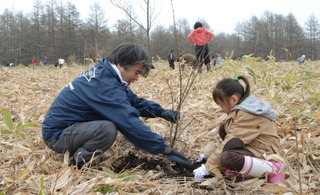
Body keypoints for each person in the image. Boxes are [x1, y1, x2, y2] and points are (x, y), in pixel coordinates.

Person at [42, 43, 192, 169]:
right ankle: (80, 161)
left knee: (106, 126)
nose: (136, 78)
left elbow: (132, 101)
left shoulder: (106, 75)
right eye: (137, 72)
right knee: (107, 129)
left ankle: (83, 151)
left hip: (71, 129)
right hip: (57, 136)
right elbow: (128, 121)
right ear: (122, 64)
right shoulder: (104, 85)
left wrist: (160, 111)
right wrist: (163, 149)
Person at [193, 76, 284, 183]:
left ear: (234, 99)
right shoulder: (240, 110)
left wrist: (208, 168)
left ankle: (273, 169)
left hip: (265, 152)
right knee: (223, 129)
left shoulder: (247, 114)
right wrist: (206, 155)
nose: (221, 109)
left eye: (221, 105)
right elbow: (227, 138)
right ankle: (243, 168)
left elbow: (229, 142)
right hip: (252, 146)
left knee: (228, 158)